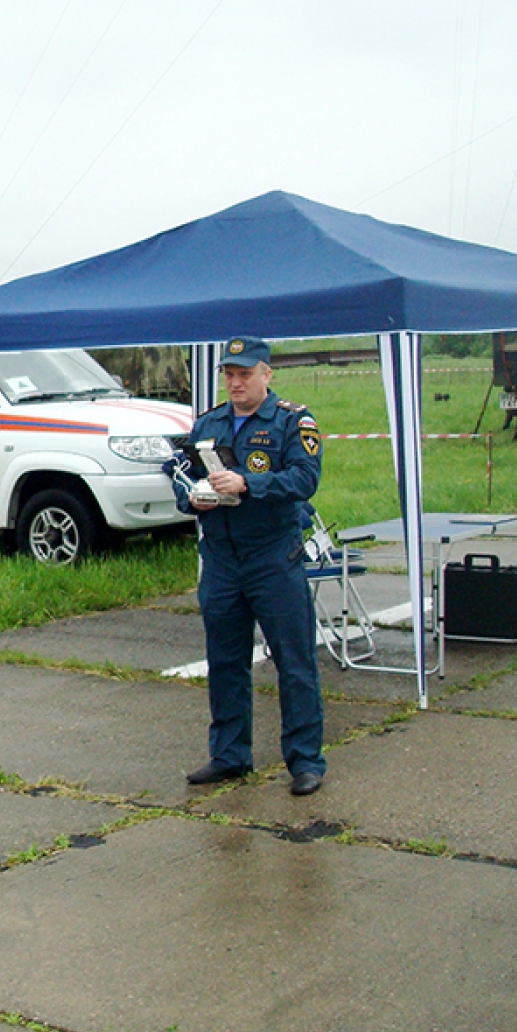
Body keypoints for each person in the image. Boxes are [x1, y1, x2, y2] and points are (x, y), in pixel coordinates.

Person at [168, 337, 326, 797]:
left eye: (245, 374)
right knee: (225, 662)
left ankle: (305, 761)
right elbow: (180, 469)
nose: (236, 383)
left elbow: (305, 478)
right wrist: (190, 497)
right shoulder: (209, 422)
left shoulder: (293, 421)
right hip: (221, 558)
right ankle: (230, 755)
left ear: (266, 374)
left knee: (294, 662)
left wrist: (248, 482)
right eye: (230, 375)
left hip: (273, 556)